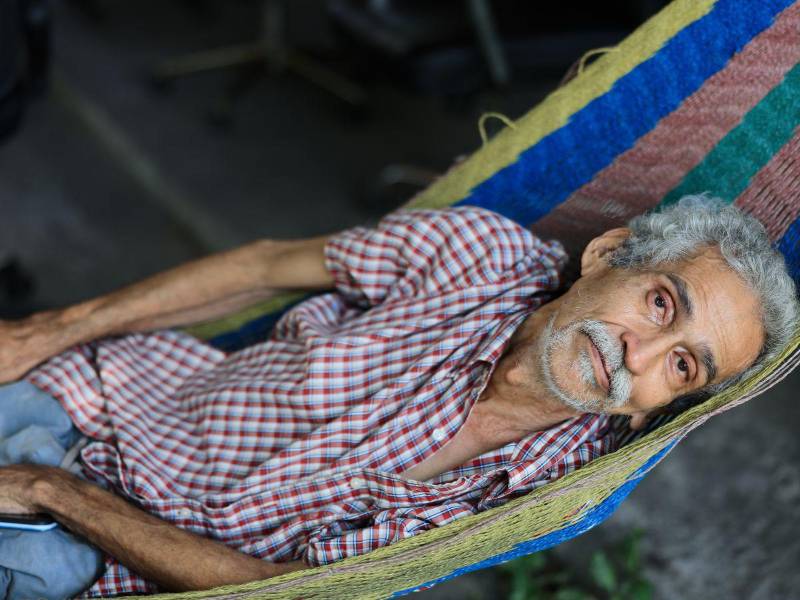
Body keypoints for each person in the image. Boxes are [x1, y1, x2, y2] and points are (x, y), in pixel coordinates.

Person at [0, 195, 796, 598]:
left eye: (682, 366)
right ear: (608, 255)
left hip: (109, 552)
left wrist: (56, 494)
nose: (638, 353)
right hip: (105, 399)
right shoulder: (482, 258)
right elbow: (268, 266)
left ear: (651, 410)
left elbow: (269, 590)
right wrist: (45, 331)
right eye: (660, 303)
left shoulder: (535, 497)